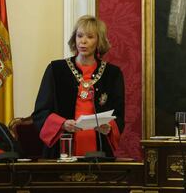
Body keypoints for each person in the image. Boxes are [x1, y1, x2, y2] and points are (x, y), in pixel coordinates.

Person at [32, 15, 125, 158]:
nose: (83, 41)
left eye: (90, 37)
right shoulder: (56, 69)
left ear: (99, 41)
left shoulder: (112, 74)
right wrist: (62, 124)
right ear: (74, 39)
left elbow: (118, 114)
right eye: (79, 35)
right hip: (61, 148)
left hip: (99, 150)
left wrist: (109, 127)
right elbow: (40, 112)